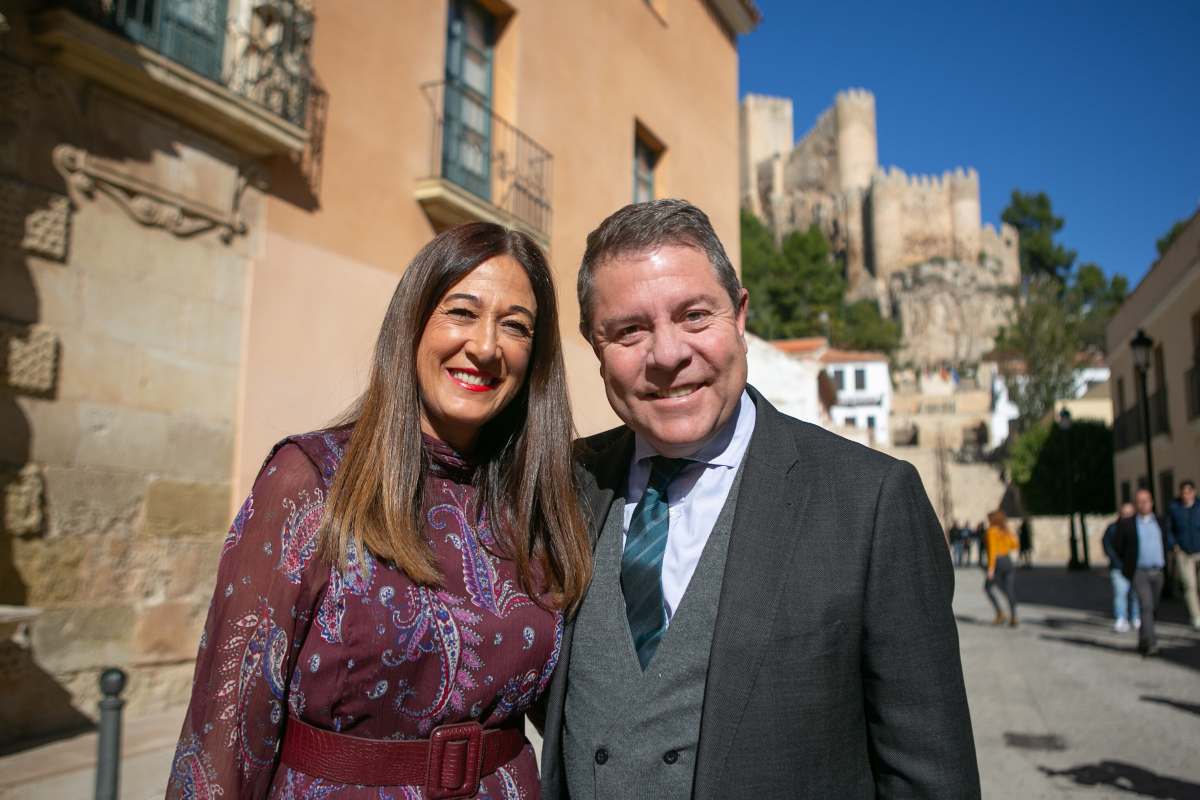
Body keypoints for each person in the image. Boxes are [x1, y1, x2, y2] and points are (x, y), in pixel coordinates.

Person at [536, 200, 979, 798]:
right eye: (630, 331)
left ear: (740, 315)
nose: (667, 355)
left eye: (695, 316)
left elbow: (931, 777)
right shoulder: (565, 485)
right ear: (596, 347)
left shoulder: (870, 502)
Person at [167, 223, 592, 799]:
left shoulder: (538, 504)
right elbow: (228, 726)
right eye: (461, 312)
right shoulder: (312, 479)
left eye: (514, 326)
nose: (486, 347)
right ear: (413, 324)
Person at [1114, 489, 1173, 657]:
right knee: (1146, 606)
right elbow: (1118, 545)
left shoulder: (1160, 522)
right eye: (1140, 501)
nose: (1143, 504)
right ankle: (1151, 644)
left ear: (1152, 502)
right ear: (1135, 504)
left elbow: (1167, 541)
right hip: (1139, 571)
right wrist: (1126, 564)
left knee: (1152, 608)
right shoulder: (1128, 524)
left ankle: (1143, 640)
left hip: (1158, 571)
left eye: (1146, 500)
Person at [1167, 479, 1200, 629]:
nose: (1186, 495)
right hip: (1183, 552)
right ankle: (1196, 616)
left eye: (1189, 492)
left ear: (1194, 492)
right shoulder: (1174, 508)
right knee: (1189, 585)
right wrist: (1174, 545)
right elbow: (1168, 529)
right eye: (1183, 492)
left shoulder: (1199, 507)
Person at [1102, 503, 1140, 633]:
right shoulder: (1112, 529)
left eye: (1130, 514)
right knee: (1120, 594)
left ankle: (1136, 617)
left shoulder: (1138, 528)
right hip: (1118, 567)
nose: (1127, 517)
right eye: (1125, 514)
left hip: (1135, 567)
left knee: (1135, 594)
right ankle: (1121, 618)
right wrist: (1117, 563)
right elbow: (1107, 547)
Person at [983, 510, 1019, 626]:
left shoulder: (991, 532)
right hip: (1007, 561)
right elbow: (1014, 545)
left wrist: (991, 568)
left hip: (997, 562)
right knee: (1009, 590)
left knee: (988, 588)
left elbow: (992, 551)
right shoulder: (1005, 531)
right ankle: (1014, 617)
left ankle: (1000, 613)